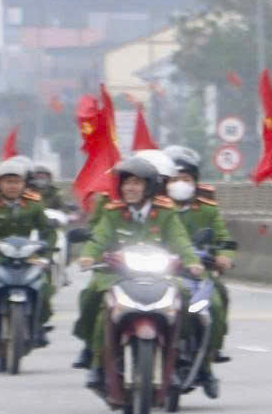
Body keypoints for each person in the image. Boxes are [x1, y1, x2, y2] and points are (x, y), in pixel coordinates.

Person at [71, 152, 197, 393]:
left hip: (160, 274)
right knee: (93, 296)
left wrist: (192, 262)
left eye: (137, 183)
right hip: (117, 274)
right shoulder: (113, 212)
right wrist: (88, 256)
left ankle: (179, 353)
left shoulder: (166, 212)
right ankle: (95, 358)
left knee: (186, 295)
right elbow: (99, 238)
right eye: (126, 183)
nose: (130, 188)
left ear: (149, 186)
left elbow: (181, 240)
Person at [162, 145, 235, 393]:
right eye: (174, 179)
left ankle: (207, 361)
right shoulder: (155, 209)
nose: (179, 184)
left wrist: (224, 256)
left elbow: (225, 240)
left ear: (195, 181)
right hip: (159, 274)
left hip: (196, 273)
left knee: (213, 304)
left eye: (185, 178)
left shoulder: (207, 210)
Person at [0, 157, 58, 341]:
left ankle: (39, 322)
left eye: (17, 182)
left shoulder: (34, 204)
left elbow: (48, 231)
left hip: (26, 254)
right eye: (8, 181)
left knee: (43, 283)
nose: (12, 186)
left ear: (24, 184)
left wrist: (46, 253)